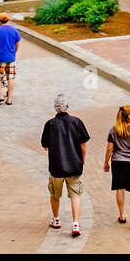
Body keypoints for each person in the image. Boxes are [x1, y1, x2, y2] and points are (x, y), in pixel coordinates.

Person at [41, 93, 90, 237]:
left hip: (56, 167)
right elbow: (83, 144)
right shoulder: (77, 122)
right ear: (67, 106)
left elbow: (45, 146)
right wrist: (82, 159)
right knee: (75, 195)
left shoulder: (50, 124)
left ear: (55, 108)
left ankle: (56, 220)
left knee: (55, 195)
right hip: (75, 165)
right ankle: (75, 223)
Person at [0, 12, 20, 105]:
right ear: (8, 19)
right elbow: (17, 44)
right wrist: (14, 53)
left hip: (0, 57)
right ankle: (9, 98)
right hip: (11, 57)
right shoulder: (15, 30)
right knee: (10, 78)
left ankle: (1, 95)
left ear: (0, 21)